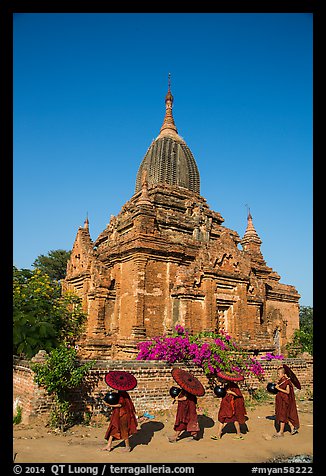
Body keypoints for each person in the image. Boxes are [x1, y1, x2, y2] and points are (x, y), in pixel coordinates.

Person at [273, 366, 300, 437]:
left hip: (285, 401)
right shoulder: (282, 381)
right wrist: (278, 384)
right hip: (281, 400)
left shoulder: (287, 382)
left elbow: (287, 392)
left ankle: (281, 432)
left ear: (283, 374)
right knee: (284, 415)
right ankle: (292, 427)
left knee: (282, 415)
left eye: (279, 374)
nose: (278, 375)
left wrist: (279, 388)